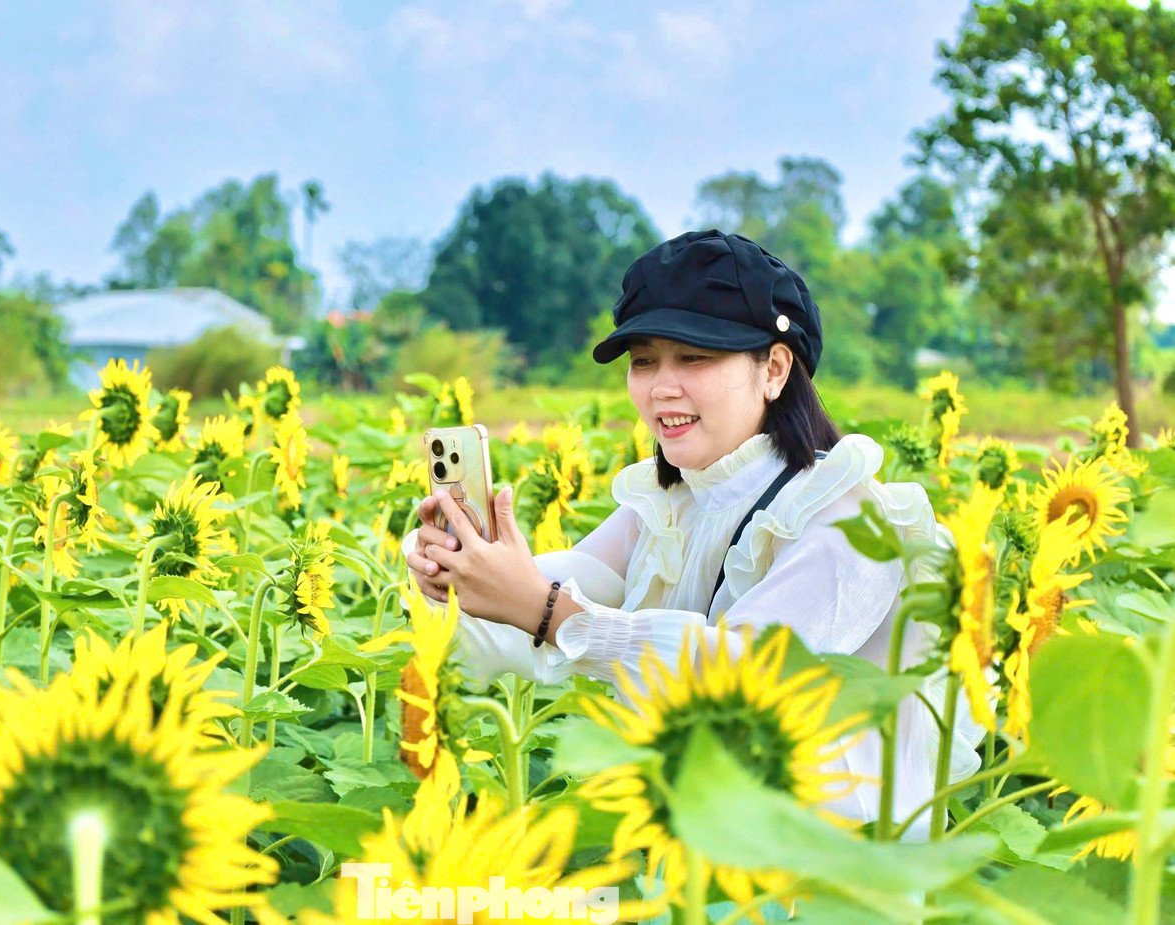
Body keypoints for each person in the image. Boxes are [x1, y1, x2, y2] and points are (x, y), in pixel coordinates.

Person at [401, 229, 981, 840]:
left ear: (774, 370)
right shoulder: (674, 502)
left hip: (836, 866)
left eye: (694, 357)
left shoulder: (850, 519)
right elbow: (549, 595)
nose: (660, 386)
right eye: (644, 360)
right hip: (706, 854)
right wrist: (459, 578)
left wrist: (544, 610)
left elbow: (740, 683)